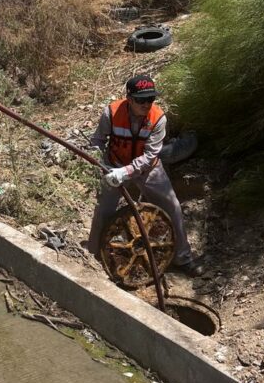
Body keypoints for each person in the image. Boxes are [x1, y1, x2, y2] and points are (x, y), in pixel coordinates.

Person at [87, 74, 203, 277]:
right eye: (141, 100)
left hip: (148, 169)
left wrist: (127, 172)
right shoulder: (111, 113)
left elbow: (150, 156)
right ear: (129, 98)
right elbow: (97, 140)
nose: (146, 104)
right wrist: (101, 163)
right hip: (114, 166)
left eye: (150, 99)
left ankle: (183, 258)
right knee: (103, 210)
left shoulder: (158, 118)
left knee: (172, 207)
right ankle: (93, 255)